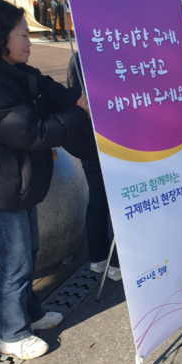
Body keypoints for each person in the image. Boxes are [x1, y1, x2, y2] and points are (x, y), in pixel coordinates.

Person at [0, 0, 90, 359]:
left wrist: (82, 99)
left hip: (16, 185)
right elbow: (30, 132)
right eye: (24, 35)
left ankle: (32, 313)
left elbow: (52, 94)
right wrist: (79, 113)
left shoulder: (15, 71)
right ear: (0, 38)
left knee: (27, 254)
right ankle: (12, 335)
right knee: (16, 264)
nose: (30, 42)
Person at [67, 53, 122, 282]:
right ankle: (117, 262)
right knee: (120, 201)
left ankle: (99, 258)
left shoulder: (80, 56)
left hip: (90, 141)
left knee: (99, 199)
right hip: (115, 141)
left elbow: (74, 95)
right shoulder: (114, 53)